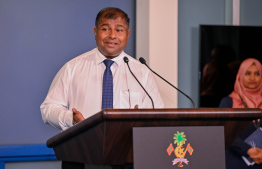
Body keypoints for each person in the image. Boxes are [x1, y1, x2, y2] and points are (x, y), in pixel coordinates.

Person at [40, 7, 164, 169]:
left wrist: (140, 120)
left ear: (128, 34)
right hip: (80, 156)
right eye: (105, 29)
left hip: (127, 158)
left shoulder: (142, 72)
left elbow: (157, 116)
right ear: (95, 32)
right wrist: (71, 119)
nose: (112, 35)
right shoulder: (73, 68)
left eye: (119, 30)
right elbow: (48, 109)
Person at [219, 58, 262, 168]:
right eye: (248, 73)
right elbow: (224, 132)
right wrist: (247, 150)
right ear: (240, 76)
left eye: (257, 73)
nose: (252, 78)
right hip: (235, 161)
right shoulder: (228, 102)